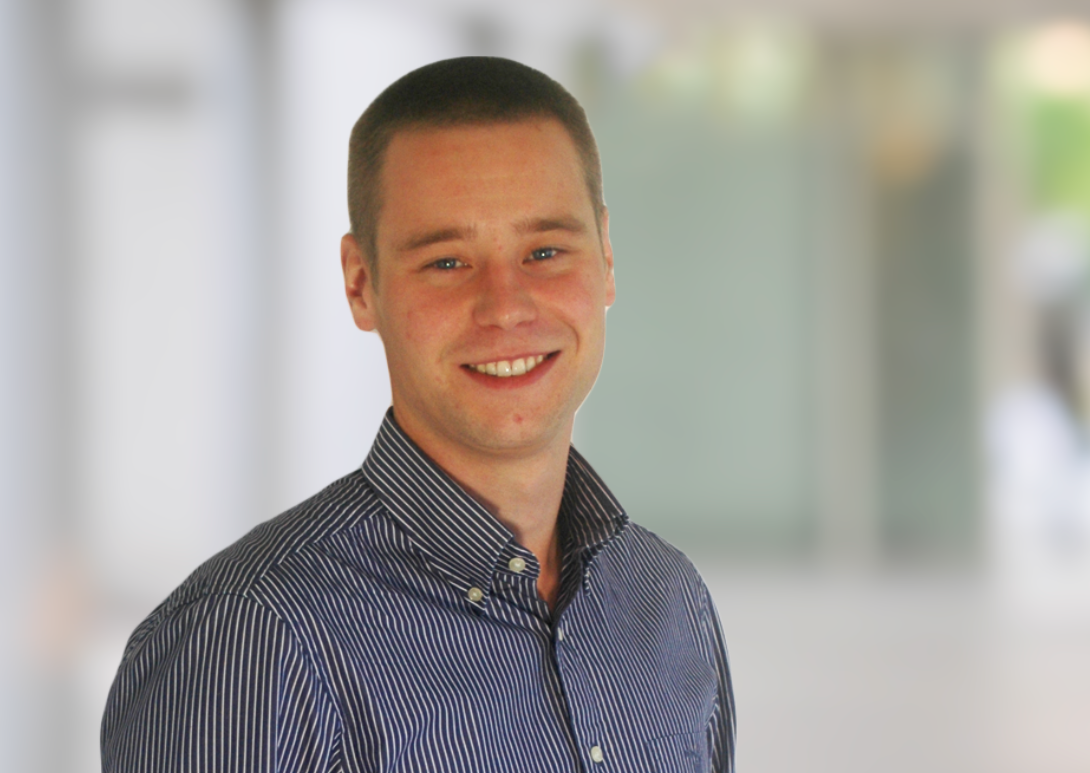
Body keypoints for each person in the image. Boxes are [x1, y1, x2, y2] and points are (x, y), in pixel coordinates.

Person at [101, 56, 735, 772]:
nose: (505, 306)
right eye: (446, 263)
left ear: (608, 258)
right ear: (360, 282)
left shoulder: (666, 599)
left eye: (546, 251)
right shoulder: (250, 639)